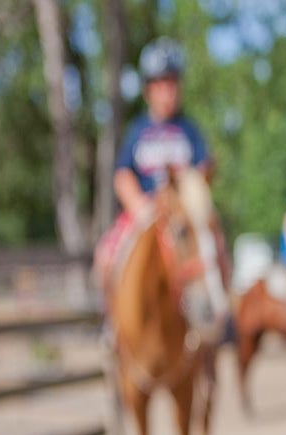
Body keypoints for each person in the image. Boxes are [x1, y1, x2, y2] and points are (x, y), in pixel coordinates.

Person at [94, 36, 228, 293]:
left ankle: (220, 311)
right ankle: (110, 321)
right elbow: (122, 174)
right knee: (105, 254)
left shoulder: (189, 130)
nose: (168, 92)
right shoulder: (138, 130)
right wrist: (140, 207)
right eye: (161, 85)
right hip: (144, 212)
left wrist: (188, 197)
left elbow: (202, 171)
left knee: (217, 248)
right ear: (148, 89)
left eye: (173, 84)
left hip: (181, 214)